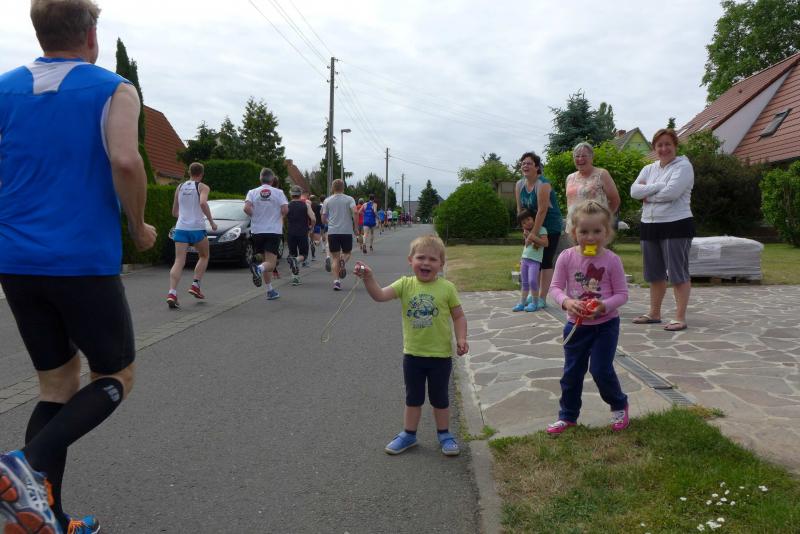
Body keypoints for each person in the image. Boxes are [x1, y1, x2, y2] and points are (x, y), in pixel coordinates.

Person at [0, 1, 157, 532]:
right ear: (91, 35)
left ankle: (45, 518)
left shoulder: (3, 89)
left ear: (39, 32)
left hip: (16, 261)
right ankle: (24, 464)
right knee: (117, 374)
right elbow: (126, 160)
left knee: (57, 384)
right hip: (81, 259)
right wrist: (138, 227)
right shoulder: (113, 88)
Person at [354, 235, 469, 455]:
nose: (426, 263)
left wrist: (461, 338)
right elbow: (380, 295)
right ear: (410, 260)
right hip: (413, 355)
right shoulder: (405, 284)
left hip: (440, 357)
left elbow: (458, 316)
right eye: (421, 258)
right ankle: (409, 434)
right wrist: (369, 278)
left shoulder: (447, 288)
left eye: (433, 259)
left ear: (441, 264)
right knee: (413, 398)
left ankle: (444, 434)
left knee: (440, 399)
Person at [547, 200, 629, 435]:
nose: (590, 237)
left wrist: (604, 306)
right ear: (574, 232)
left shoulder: (611, 260)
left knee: (601, 370)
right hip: (576, 326)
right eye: (584, 232)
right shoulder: (566, 257)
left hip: (605, 326)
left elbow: (622, 294)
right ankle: (567, 416)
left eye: (596, 231)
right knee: (572, 373)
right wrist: (568, 302)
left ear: (607, 232)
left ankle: (619, 405)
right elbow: (555, 288)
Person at [630, 128, 695, 331]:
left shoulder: (683, 166)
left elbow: (672, 193)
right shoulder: (649, 168)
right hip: (649, 225)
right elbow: (634, 191)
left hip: (676, 224)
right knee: (654, 273)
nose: (664, 148)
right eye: (659, 145)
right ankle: (654, 313)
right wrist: (658, 186)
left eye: (668, 144)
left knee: (677, 273)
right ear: (654, 148)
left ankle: (679, 317)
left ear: (675, 146)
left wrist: (647, 195)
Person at [515, 151, 563, 310]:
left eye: (529, 163)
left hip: (550, 225)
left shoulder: (543, 184)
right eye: (523, 163)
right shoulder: (519, 185)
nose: (525, 165)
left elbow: (542, 211)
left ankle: (542, 297)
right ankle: (532, 294)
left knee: (545, 261)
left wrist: (533, 235)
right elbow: (520, 210)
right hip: (531, 225)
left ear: (537, 167)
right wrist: (525, 230)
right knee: (532, 259)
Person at [166, 162, 218, 309]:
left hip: (181, 228)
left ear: (189, 172)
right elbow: (203, 203)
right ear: (202, 174)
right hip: (197, 229)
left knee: (179, 261)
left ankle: (172, 293)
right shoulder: (203, 187)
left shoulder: (180, 187)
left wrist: (185, 217)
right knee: (204, 256)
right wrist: (211, 222)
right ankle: (195, 285)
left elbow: (174, 212)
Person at [244, 168, 288, 300]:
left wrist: (256, 216)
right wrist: (278, 215)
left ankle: (270, 290)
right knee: (271, 264)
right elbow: (285, 209)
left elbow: (246, 208)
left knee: (265, 261)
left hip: (257, 231)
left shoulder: (252, 192)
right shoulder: (278, 192)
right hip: (272, 231)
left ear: (260, 178)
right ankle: (258, 269)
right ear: (272, 180)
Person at [565, 142, 621, 233]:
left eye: (584, 156)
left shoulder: (602, 174)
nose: (580, 159)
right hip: (573, 228)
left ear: (592, 157)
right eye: (577, 156)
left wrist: (604, 219)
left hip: (595, 228)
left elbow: (615, 200)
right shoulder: (570, 178)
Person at [321, 179, 357, 291]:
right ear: (343, 188)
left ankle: (336, 282)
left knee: (335, 258)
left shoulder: (327, 200)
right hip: (346, 231)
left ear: (332, 188)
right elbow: (355, 212)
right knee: (347, 253)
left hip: (333, 232)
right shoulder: (349, 199)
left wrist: (328, 223)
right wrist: (356, 227)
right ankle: (343, 262)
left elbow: (323, 217)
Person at [512, 210, 549, 312]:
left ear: (533, 218)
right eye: (524, 222)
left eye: (528, 219)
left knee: (533, 281)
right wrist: (521, 259)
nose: (527, 223)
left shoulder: (541, 229)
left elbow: (545, 243)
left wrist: (531, 236)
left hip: (535, 261)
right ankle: (522, 303)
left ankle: (535, 303)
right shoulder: (526, 232)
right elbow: (527, 247)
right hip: (525, 260)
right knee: (524, 282)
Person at [286, 185, 315, 285]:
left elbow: (281, 217)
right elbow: (313, 218)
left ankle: (295, 278)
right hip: (302, 232)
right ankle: (296, 260)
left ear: (291, 194)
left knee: (292, 253)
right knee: (303, 255)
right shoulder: (306, 205)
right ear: (300, 194)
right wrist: (311, 227)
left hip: (291, 232)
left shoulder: (287, 205)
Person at [309, 195, 323, 261]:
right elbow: (321, 215)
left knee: (311, 240)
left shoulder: (308, 206)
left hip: (310, 225)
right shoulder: (319, 206)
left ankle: (313, 256)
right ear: (315, 199)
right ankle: (315, 242)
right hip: (317, 224)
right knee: (318, 241)